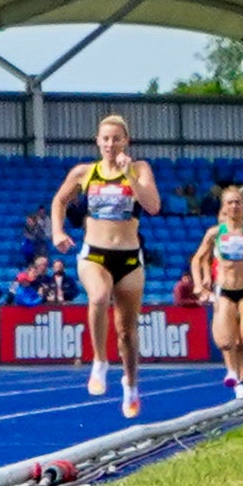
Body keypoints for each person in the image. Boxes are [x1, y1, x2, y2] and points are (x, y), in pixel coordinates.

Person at [44, 113, 161, 422]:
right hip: (94, 252)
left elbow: (152, 206)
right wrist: (57, 232)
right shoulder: (85, 172)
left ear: (126, 141)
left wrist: (130, 176)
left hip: (129, 257)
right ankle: (99, 361)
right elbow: (58, 201)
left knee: (127, 331)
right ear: (97, 141)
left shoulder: (139, 168)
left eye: (116, 138)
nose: (110, 144)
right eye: (105, 138)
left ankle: (131, 385)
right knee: (97, 297)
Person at [195, 186, 243, 402]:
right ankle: (233, 373)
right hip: (225, 290)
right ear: (223, 208)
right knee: (227, 340)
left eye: (238, 202)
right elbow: (198, 259)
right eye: (230, 203)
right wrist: (200, 283)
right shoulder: (215, 233)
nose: (234, 206)